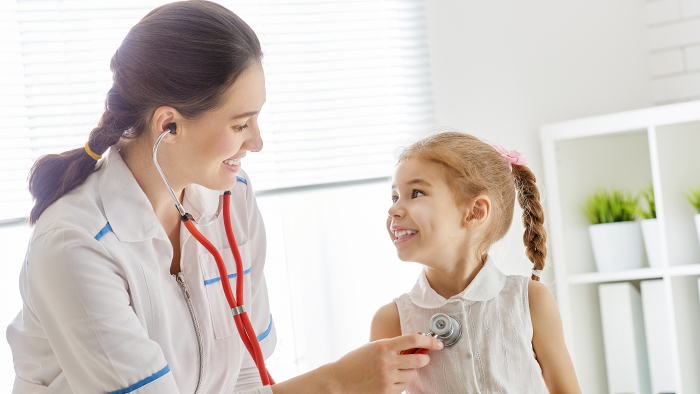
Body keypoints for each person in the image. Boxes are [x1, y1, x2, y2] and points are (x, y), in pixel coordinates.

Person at [5, 2, 444, 393]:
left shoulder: (232, 198)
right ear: (168, 126)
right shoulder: (75, 245)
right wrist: (337, 382)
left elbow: (243, 373)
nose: (257, 142)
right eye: (240, 125)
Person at [370, 132, 581, 393]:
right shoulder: (391, 320)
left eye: (416, 193)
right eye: (394, 197)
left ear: (475, 212)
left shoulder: (530, 300)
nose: (393, 210)